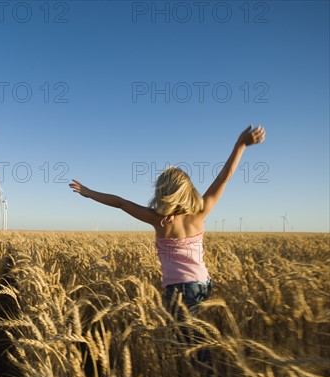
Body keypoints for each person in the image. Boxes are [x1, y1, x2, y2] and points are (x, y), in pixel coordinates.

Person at [69, 125, 265, 318]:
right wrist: (240, 145)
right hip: (203, 284)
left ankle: (200, 352)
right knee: (195, 333)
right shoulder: (200, 213)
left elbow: (120, 202)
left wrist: (89, 193)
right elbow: (223, 178)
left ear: (161, 192)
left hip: (180, 289)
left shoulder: (158, 220)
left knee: (184, 338)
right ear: (188, 191)